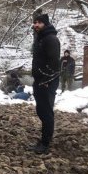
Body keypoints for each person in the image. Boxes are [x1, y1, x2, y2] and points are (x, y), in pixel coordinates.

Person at [30, 13, 61, 154]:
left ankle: (45, 143)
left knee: (46, 111)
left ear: (45, 24)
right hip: (39, 80)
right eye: (35, 22)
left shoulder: (51, 39)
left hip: (47, 81)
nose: (36, 25)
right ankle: (44, 139)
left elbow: (54, 63)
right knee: (41, 110)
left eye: (39, 22)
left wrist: (46, 81)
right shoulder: (40, 38)